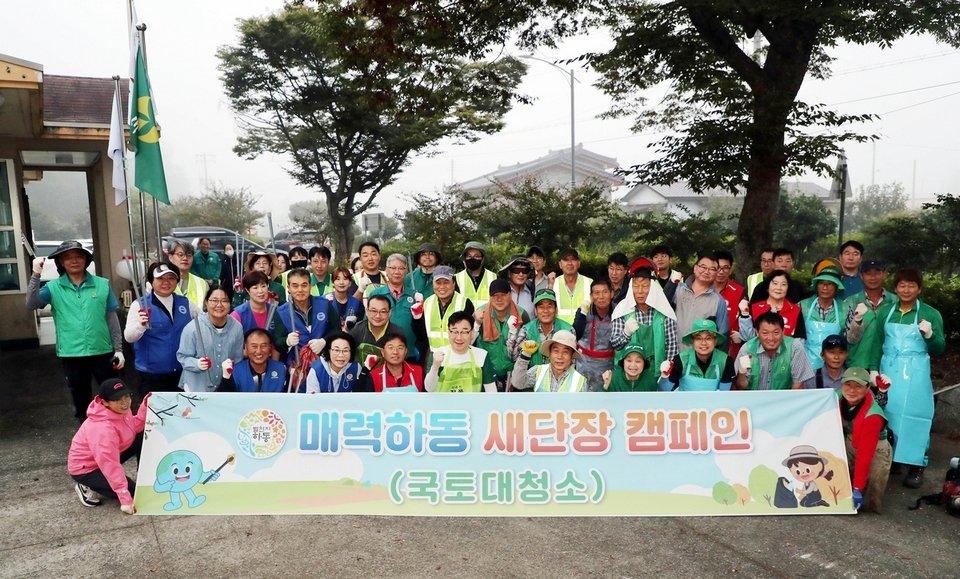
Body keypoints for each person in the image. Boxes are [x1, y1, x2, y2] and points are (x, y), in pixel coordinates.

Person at [26, 240, 124, 421]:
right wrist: (35, 275)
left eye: (79, 256)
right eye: (68, 257)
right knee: (81, 401)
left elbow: (112, 319)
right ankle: (87, 434)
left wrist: (118, 349)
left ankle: (118, 433)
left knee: (114, 397)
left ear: (86, 260)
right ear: (61, 262)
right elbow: (32, 303)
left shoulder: (102, 284)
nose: (74, 261)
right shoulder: (53, 287)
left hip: (103, 351)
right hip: (71, 354)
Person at [877, 268, 945, 488]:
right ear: (895, 288)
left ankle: (917, 464)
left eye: (911, 285)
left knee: (916, 414)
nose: (906, 290)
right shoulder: (885, 312)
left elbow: (940, 347)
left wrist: (930, 335)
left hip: (916, 371)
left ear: (919, 289)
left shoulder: (930, 314)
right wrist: (873, 369)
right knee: (888, 413)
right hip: (889, 368)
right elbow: (877, 342)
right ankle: (893, 458)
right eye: (902, 285)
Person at [67, 379, 147, 513]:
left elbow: (133, 426)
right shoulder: (102, 429)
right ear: (104, 402)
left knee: (144, 435)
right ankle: (86, 485)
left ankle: (145, 475)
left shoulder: (121, 410)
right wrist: (125, 498)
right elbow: (109, 464)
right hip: (87, 469)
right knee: (133, 493)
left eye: (126, 396)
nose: (124, 403)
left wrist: (145, 406)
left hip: (109, 453)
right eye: (117, 400)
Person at [125, 263, 198, 393]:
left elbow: (205, 321)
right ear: (151, 281)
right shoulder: (139, 305)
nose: (166, 282)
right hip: (151, 375)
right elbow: (129, 337)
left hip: (182, 372)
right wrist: (140, 325)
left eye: (171, 278)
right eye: (160, 278)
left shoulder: (186, 303)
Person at [610, 258, 679, 393]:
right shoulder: (623, 310)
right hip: (627, 376)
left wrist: (668, 369)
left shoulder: (664, 313)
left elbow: (672, 347)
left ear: (653, 288)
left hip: (656, 374)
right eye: (636, 286)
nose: (640, 291)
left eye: (645, 286)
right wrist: (626, 334)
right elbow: (615, 344)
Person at [838, 367, 892, 513]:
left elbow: (864, 454)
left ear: (868, 388)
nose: (852, 390)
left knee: (871, 495)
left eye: (858, 386)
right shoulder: (837, 397)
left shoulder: (873, 416)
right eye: (848, 384)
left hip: (875, 445)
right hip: (850, 436)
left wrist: (857, 488)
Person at [177, 285, 244, 392]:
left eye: (224, 301)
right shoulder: (193, 327)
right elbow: (182, 357)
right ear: (206, 302)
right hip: (196, 386)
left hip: (224, 386)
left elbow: (238, 358)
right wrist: (196, 364)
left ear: (230, 304)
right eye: (214, 300)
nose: (219, 305)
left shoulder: (237, 327)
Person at [278, 268, 341, 371]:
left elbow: (337, 329)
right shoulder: (281, 312)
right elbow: (277, 343)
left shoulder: (324, 304)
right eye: (295, 286)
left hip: (326, 364)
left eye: (304, 285)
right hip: (297, 368)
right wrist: (287, 342)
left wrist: (324, 341)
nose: (300, 290)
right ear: (288, 288)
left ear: (310, 286)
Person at [734, 312, 814, 390]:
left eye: (776, 332)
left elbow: (798, 385)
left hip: (784, 398)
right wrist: (742, 373)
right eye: (765, 333)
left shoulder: (794, 347)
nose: (771, 338)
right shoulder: (747, 349)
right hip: (753, 398)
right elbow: (741, 387)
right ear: (757, 333)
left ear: (783, 332)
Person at [368, 254, 426, 363]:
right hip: (382, 354)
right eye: (393, 268)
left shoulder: (415, 296)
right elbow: (368, 323)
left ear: (406, 271)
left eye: (401, 268)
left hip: (409, 354)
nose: (397, 272)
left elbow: (422, 329)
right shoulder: (376, 294)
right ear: (386, 270)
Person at [424, 311, 497, 393]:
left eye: (464, 332)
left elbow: (492, 392)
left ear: (472, 333)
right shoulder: (437, 354)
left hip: (472, 402)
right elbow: (429, 388)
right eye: (454, 331)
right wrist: (435, 367)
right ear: (448, 332)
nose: (459, 337)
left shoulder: (482, 356)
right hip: (442, 402)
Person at [844, 260, 896, 371]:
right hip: (858, 365)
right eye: (868, 273)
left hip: (889, 365)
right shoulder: (850, 302)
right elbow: (848, 338)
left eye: (877, 273)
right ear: (861, 276)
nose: (873, 277)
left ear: (884, 274)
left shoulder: (895, 301)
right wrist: (858, 320)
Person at [475, 279, 526, 391]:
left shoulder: (522, 314)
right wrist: (477, 323)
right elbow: (470, 343)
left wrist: (517, 374)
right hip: (487, 376)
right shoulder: (480, 314)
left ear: (510, 295)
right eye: (494, 296)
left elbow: (527, 348)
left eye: (503, 295)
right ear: (490, 297)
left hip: (513, 376)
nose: (499, 299)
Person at [673, 251, 729, 350]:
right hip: (672, 352)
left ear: (716, 273)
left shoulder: (718, 301)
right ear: (695, 268)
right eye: (703, 267)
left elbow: (723, 335)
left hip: (699, 356)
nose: (707, 272)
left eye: (712, 269)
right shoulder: (677, 290)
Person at [659, 319, 735, 391]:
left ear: (715, 341)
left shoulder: (726, 361)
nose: (703, 343)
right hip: (685, 400)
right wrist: (664, 377)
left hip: (715, 401)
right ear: (692, 341)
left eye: (708, 338)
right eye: (698, 338)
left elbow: (724, 394)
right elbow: (664, 391)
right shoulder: (681, 360)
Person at [230, 271, 288, 359]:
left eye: (263, 286)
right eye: (255, 287)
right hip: (245, 361)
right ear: (247, 290)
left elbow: (277, 343)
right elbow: (231, 346)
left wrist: (273, 364)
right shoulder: (238, 315)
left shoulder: (275, 311)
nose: (260, 291)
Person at [798, 266, 847, 370]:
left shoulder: (845, 309)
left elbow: (850, 338)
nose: (825, 287)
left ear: (836, 287)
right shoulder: (802, 306)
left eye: (829, 284)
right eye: (821, 283)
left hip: (833, 366)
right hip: (804, 364)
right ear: (816, 286)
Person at [416, 265, 474, 353]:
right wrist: (416, 319)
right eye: (438, 283)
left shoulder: (465, 303)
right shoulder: (427, 303)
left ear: (453, 284)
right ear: (433, 284)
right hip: (434, 355)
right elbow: (422, 334)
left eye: (446, 282)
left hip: (458, 355)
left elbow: (470, 334)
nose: (442, 286)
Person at [509, 289, 573, 367]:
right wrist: (512, 333)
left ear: (556, 310)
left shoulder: (568, 330)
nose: (545, 311)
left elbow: (573, 361)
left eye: (549, 306)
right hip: (533, 373)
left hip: (560, 373)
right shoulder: (527, 330)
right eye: (541, 307)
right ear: (535, 311)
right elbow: (514, 358)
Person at [738, 270, 807, 341]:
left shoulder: (795, 310)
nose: (779, 288)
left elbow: (800, 341)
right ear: (768, 287)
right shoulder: (755, 308)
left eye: (783, 284)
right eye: (775, 283)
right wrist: (745, 314)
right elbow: (748, 338)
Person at [511, 329, 587, 392]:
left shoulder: (579, 381)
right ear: (550, 354)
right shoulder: (538, 371)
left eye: (565, 352)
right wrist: (526, 354)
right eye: (556, 351)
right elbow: (517, 383)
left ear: (572, 356)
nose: (560, 356)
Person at [573, 279, 615, 392]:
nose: (601, 297)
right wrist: (582, 315)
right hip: (584, 364)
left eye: (605, 292)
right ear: (591, 296)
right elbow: (575, 334)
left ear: (611, 293)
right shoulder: (584, 310)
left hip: (609, 364)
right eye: (596, 293)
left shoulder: (618, 312)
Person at [216, 329, 288, 393]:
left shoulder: (282, 369)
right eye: (254, 346)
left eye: (263, 346)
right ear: (246, 349)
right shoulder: (235, 371)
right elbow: (225, 399)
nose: (259, 351)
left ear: (270, 349)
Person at [349, 294, 404, 365]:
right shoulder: (357, 330)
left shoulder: (397, 333)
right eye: (374, 311)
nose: (378, 316)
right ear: (367, 311)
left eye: (383, 311)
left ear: (390, 313)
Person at [713, 249, 747, 358]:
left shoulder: (739, 292)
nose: (721, 272)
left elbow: (746, 319)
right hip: (704, 344)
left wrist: (741, 335)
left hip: (730, 348)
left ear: (731, 270)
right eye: (718, 267)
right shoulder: (702, 289)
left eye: (725, 268)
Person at [551, 248, 593, 325]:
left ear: (579, 263)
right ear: (560, 264)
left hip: (585, 330)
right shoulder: (553, 284)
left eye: (573, 259)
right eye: (566, 260)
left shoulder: (590, 283)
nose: (570, 263)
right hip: (560, 330)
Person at [455, 241, 498, 309]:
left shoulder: (494, 278)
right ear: (465, 258)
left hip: (487, 315)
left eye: (476, 256)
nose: (472, 258)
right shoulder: (456, 279)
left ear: (482, 259)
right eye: (469, 256)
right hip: (464, 316)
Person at [165, 239, 207, 308]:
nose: (185, 258)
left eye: (189, 255)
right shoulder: (161, 282)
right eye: (180, 255)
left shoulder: (202, 283)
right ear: (170, 257)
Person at [328, 267, 364, 331]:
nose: (341, 282)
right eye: (338, 279)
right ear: (332, 283)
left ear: (350, 283)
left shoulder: (357, 304)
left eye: (345, 279)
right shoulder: (324, 301)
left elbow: (360, 328)